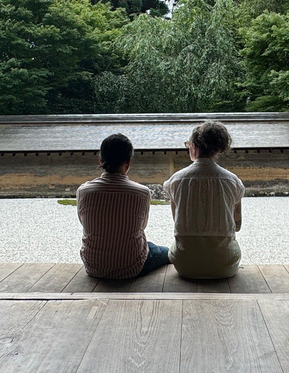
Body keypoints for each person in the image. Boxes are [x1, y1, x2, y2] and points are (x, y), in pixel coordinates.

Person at [77, 133, 170, 280]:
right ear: (128, 163)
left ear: (100, 159)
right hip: (131, 267)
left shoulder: (84, 191)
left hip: (94, 265)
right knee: (166, 252)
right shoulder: (142, 192)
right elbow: (141, 227)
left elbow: (84, 222)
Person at [164, 120, 244, 279]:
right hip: (224, 263)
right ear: (218, 149)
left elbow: (177, 222)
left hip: (185, 264)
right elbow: (237, 226)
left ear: (194, 146)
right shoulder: (232, 181)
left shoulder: (176, 181)